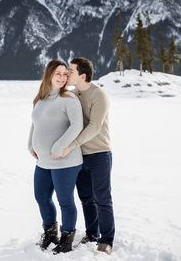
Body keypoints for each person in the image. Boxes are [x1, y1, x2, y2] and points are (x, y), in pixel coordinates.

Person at [28, 59, 83, 254]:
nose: (62, 77)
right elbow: (35, 123)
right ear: (49, 75)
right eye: (57, 74)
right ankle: (51, 233)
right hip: (43, 160)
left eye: (64, 74)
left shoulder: (69, 99)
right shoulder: (40, 98)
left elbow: (77, 126)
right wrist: (30, 144)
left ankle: (67, 238)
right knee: (41, 196)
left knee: (65, 201)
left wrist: (60, 145)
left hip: (65, 160)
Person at [62, 57, 115, 255]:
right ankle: (92, 234)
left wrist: (71, 145)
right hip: (79, 156)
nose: (68, 73)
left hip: (99, 154)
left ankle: (107, 240)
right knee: (86, 198)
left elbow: (94, 127)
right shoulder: (73, 95)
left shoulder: (99, 95)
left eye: (71, 70)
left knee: (103, 198)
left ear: (82, 75)